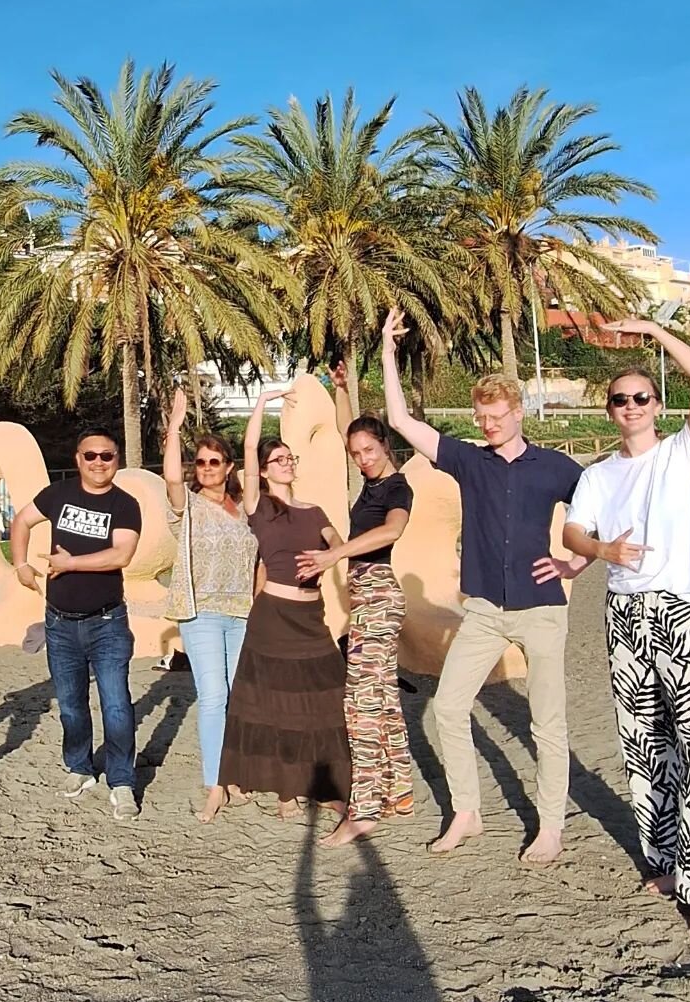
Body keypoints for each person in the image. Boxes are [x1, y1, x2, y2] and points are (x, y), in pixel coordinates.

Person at [379, 309, 590, 864]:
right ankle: (467, 814)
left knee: (547, 725)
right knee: (447, 708)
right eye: (482, 416)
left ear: (518, 412)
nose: (489, 424)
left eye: (497, 415)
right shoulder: (469, 462)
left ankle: (549, 826)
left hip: (543, 610)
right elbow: (401, 420)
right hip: (484, 611)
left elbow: (601, 518)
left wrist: (575, 566)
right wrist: (387, 351)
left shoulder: (557, 468)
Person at [562, 320, 690, 943]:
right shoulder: (597, 476)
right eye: (621, 399)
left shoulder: (683, 452)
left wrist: (650, 330)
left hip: (686, 608)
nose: (632, 406)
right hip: (625, 614)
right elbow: (572, 534)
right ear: (609, 410)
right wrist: (601, 550)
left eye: (642, 397)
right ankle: (667, 862)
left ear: (657, 406)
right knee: (645, 749)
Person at [294, 363, 413, 847]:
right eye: (356, 453)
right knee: (383, 700)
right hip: (368, 594)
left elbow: (394, 529)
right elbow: (352, 429)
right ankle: (400, 794)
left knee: (360, 706)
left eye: (370, 450)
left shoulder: (396, 487)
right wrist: (343, 390)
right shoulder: (371, 480)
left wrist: (336, 552)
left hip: (379, 594)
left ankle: (363, 811)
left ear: (386, 446)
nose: (362, 458)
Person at [217, 388, 351, 818]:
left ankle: (323, 785)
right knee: (275, 704)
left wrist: (331, 556)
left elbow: (338, 545)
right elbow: (249, 446)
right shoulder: (259, 504)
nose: (287, 463)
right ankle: (285, 790)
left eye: (290, 458)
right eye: (279, 459)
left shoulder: (314, 510)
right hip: (273, 616)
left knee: (321, 702)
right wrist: (263, 402)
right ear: (265, 469)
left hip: (311, 617)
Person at [10, 428, 144, 822]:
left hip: (107, 622)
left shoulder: (126, 504)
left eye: (107, 456)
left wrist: (70, 563)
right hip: (59, 623)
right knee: (70, 705)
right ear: (78, 459)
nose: (99, 462)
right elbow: (21, 522)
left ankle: (121, 782)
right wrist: (20, 563)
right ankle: (80, 768)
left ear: (117, 459)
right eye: (91, 456)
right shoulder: (58, 494)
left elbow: (121, 555)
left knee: (117, 704)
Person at [162, 385, 259, 823]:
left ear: (228, 467)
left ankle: (235, 776)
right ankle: (214, 783)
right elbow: (169, 479)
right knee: (213, 695)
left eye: (213, 462)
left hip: (241, 614)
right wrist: (175, 427)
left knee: (239, 698)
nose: (205, 469)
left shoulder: (244, 511)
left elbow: (258, 561)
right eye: (199, 463)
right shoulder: (189, 507)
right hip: (200, 612)